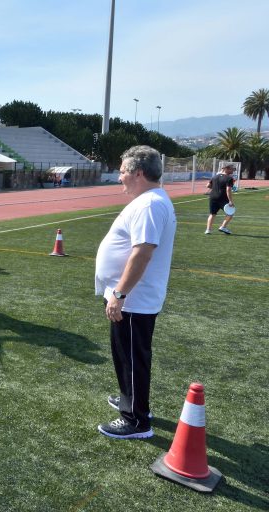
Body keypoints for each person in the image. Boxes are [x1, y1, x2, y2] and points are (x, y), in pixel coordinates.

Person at [95, 145, 176, 439]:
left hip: (134, 299)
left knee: (131, 358)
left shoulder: (149, 204)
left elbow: (142, 253)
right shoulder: (150, 200)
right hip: (134, 298)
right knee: (128, 355)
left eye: (122, 172)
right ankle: (133, 399)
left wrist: (119, 293)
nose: (119, 178)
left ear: (138, 173)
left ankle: (136, 420)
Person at [205, 164, 236, 234]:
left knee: (212, 214)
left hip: (212, 197)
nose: (233, 171)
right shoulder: (229, 178)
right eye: (232, 169)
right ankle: (223, 227)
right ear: (226, 169)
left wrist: (216, 187)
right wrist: (231, 201)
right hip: (222, 198)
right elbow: (228, 190)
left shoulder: (215, 176)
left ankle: (208, 230)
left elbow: (208, 186)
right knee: (230, 213)